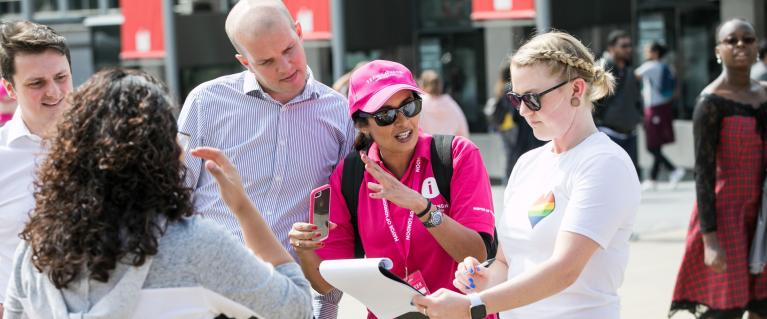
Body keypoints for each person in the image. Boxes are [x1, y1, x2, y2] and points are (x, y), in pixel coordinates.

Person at [2, 69, 313, 319]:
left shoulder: (34, 253)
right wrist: (244, 208)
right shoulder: (195, 246)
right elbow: (295, 308)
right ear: (164, 151)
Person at [412, 31, 640, 319]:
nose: (522, 111)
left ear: (576, 90)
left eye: (532, 99)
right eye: (515, 98)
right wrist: (482, 279)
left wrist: (473, 306)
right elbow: (507, 263)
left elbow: (565, 270)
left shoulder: (605, 163)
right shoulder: (529, 163)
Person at [288, 60, 496, 318]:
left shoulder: (455, 155)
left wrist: (421, 207)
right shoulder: (349, 176)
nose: (402, 121)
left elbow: (476, 253)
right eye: (385, 115)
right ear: (363, 124)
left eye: (409, 106)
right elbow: (325, 284)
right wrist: (305, 250)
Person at [178, 0, 354, 251]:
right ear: (245, 62)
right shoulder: (205, 103)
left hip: (298, 282)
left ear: (299, 33)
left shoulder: (340, 113)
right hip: (214, 277)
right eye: (266, 62)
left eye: (289, 49)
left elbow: (343, 213)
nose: (284, 67)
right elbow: (176, 193)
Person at [670, 18, 767, 319]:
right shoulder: (710, 102)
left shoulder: (765, 94)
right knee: (728, 306)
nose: (740, 45)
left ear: (756, 49)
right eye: (732, 40)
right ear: (718, 50)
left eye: (747, 40)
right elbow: (703, 172)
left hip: (763, 209)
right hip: (726, 216)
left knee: (763, 303)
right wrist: (710, 240)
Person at [0, 21, 74, 317]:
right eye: (36, 83)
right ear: (9, 88)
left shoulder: (107, 143)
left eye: (61, 77)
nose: (54, 92)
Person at [634, 41, 685, 191]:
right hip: (663, 108)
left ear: (655, 53)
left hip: (654, 109)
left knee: (652, 146)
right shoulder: (666, 66)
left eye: (648, 50)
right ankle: (653, 179)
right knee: (656, 145)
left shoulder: (651, 66)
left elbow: (634, 75)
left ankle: (674, 169)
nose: (645, 52)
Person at [485, 62, 545, 182]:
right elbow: (515, 111)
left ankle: (508, 180)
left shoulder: (501, 87)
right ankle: (510, 180)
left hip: (504, 128)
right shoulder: (510, 88)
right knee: (517, 154)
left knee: (510, 155)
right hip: (514, 127)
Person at [594, 30, 643, 177]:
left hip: (629, 133)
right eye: (624, 46)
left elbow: (636, 99)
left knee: (629, 177)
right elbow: (593, 100)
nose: (629, 49)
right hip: (608, 132)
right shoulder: (601, 70)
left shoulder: (629, 71)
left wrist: (638, 116)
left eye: (630, 45)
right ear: (611, 48)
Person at [418, 69, 470, 137]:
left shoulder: (419, 103)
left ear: (422, 85)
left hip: (426, 145)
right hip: (449, 146)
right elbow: (463, 130)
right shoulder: (451, 104)